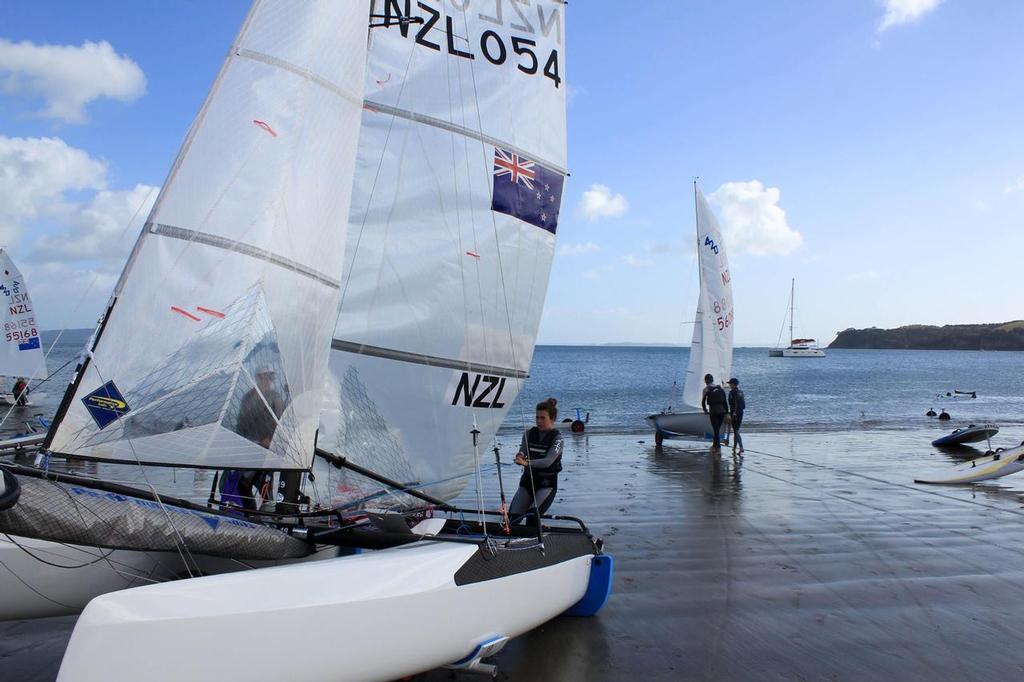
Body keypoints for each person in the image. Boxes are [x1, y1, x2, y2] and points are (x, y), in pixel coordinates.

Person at [224, 367, 285, 512]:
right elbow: (241, 422)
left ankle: (264, 516)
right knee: (243, 484)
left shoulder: (276, 398)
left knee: (264, 485)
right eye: (265, 377)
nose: (268, 380)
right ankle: (249, 514)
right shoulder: (248, 397)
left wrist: (272, 441)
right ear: (257, 378)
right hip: (248, 448)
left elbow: (281, 423)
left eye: (271, 377)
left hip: (266, 450)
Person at [509, 398, 564, 525]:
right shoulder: (528, 434)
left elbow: (548, 462)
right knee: (512, 519)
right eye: (537, 417)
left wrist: (527, 463)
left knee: (532, 518)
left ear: (552, 419)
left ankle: (535, 540)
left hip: (546, 484)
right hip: (527, 481)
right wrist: (520, 456)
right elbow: (523, 452)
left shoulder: (558, 439)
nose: (539, 421)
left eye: (543, 418)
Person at [701, 373, 728, 452]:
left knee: (715, 429)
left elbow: (703, 402)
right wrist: (727, 413)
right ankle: (715, 445)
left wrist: (705, 410)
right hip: (722, 411)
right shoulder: (720, 388)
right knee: (717, 429)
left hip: (713, 411)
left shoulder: (706, 389)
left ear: (705, 381)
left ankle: (717, 447)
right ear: (712, 380)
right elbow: (724, 401)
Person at [727, 378, 745, 454]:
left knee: (736, 430)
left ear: (733, 384)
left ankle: (741, 447)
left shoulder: (732, 392)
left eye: (730, 384)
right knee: (735, 430)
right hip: (741, 412)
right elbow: (744, 405)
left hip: (735, 413)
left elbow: (733, 403)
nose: (729, 385)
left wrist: (733, 412)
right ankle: (734, 447)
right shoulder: (740, 392)